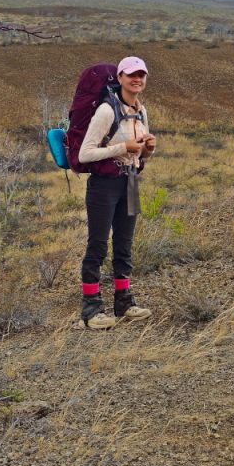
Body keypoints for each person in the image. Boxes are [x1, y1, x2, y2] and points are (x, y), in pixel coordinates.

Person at [77, 55, 157, 329]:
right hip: (104, 186)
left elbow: (141, 155)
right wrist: (123, 148)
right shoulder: (106, 111)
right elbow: (85, 153)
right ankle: (91, 309)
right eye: (132, 75)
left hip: (131, 181)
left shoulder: (141, 111)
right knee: (98, 244)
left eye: (142, 75)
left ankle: (124, 302)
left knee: (124, 243)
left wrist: (148, 148)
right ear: (120, 77)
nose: (137, 80)